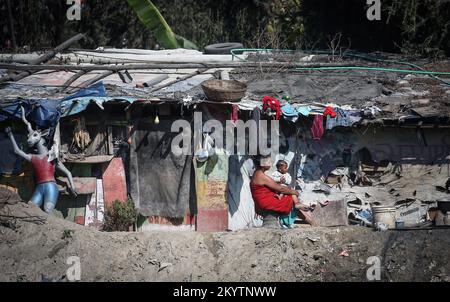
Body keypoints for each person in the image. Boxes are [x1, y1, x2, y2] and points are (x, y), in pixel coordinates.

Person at [250, 155, 315, 225]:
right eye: (269, 161)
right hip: (266, 203)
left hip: (261, 203)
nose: (271, 163)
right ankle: (310, 221)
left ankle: (310, 221)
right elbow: (281, 189)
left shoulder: (258, 174)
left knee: (291, 199)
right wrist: (294, 192)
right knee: (290, 198)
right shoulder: (262, 176)